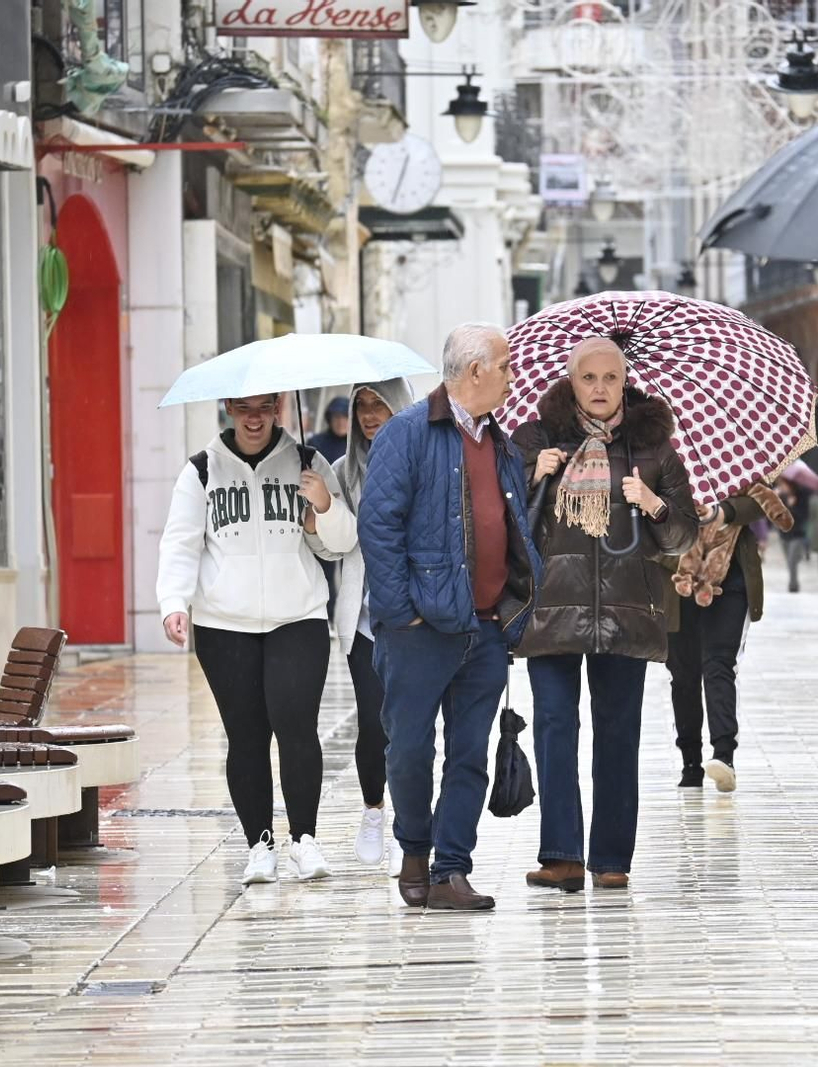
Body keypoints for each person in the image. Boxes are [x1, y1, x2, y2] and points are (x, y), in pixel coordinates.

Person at [358, 323, 542, 912]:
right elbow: (377, 526)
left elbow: (508, 526)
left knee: (470, 753)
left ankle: (451, 869)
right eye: (505, 367)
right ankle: (414, 850)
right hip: (418, 632)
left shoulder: (503, 443)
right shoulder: (407, 433)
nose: (513, 377)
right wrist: (400, 614)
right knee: (409, 748)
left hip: (485, 628)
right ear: (474, 372)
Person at [511, 337, 696, 891]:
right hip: (551, 608)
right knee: (553, 728)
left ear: (624, 382)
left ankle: (611, 859)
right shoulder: (536, 439)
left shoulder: (654, 449)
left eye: (609, 379)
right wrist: (529, 476)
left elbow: (683, 534)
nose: (598, 389)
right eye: (587, 378)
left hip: (626, 611)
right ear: (571, 382)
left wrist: (653, 502)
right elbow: (498, 514)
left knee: (619, 735)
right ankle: (562, 857)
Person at [156, 393, 358, 887]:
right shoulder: (202, 470)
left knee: (297, 727)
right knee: (246, 736)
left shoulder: (309, 463)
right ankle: (259, 845)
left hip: (298, 617)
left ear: (279, 411)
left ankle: (304, 840)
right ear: (228, 408)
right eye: (244, 408)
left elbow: (341, 543)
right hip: (224, 625)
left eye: (265, 407)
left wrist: (323, 505)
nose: (254, 418)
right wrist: (174, 604)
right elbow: (180, 543)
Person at [330, 378, 414, 872]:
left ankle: (412, 821)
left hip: (415, 615)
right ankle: (373, 810)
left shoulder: (421, 461)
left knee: (411, 725)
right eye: (361, 404)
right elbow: (333, 547)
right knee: (372, 722)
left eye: (377, 403)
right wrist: (321, 508)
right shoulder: (343, 472)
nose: (367, 414)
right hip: (363, 620)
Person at [665, 484, 792, 792]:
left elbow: (760, 500)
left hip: (733, 579)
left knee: (719, 663)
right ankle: (690, 759)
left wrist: (723, 513)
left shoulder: (738, 451)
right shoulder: (659, 453)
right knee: (684, 673)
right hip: (677, 575)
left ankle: (724, 754)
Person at [775, 476, 811, 593]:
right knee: (789, 561)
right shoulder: (781, 497)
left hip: (797, 534)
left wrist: (792, 507)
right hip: (784, 534)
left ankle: (793, 585)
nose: (782, 487)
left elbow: (803, 516)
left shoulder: (802, 495)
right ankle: (793, 581)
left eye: (783, 485)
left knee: (791, 561)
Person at [309, 395, 350, 463]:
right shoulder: (315, 443)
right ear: (330, 419)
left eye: (346, 417)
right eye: (337, 417)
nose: (341, 422)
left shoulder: (358, 446)